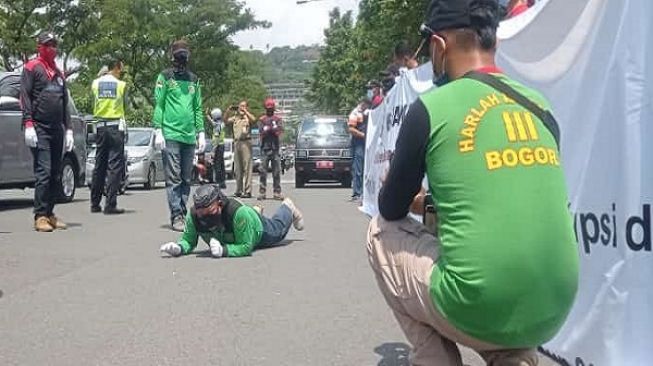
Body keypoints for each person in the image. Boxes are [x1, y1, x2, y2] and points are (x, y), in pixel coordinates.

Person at [368, 1, 579, 365]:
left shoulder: (430, 109)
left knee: (377, 233)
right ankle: (513, 357)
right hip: (555, 308)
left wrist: (414, 199)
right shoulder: (540, 107)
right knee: (490, 268)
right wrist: (429, 204)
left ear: (438, 46)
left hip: (478, 302)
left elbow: (391, 208)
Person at [20, 32, 74, 232]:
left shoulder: (59, 73)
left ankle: (50, 213)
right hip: (39, 127)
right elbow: (24, 96)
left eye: (54, 44)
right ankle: (40, 215)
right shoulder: (32, 67)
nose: (51, 48)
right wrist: (28, 123)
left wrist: (68, 129)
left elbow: (64, 103)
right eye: (47, 45)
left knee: (55, 173)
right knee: (44, 171)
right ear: (40, 47)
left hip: (56, 129)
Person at [159, 185, 304, 258]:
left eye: (210, 212)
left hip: (256, 228)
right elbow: (189, 240)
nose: (205, 218)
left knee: (278, 230)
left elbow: (246, 246)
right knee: (246, 219)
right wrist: (179, 247)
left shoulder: (237, 214)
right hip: (241, 224)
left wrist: (225, 250)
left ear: (220, 204)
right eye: (201, 213)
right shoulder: (194, 215)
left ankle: (287, 208)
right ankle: (255, 210)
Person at [153, 40, 206, 232]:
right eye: (179, 54)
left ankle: (182, 212)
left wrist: (201, 132)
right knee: (173, 177)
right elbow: (159, 104)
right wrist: (158, 129)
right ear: (172, 56)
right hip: (171, 133)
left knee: (186, 178)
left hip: (189, 136)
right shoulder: (165, 77)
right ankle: (176, 215)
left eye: (185, 54)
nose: (182, 58)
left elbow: (197, 107)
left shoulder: (194, 79)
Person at [90, 58, 128, 215]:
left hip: (99, 126)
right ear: (117, 68)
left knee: (99, 165)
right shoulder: (121, 85)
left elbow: (94, 102)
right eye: (121, 69)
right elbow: (125, 104)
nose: (122, 73)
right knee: (114, 167)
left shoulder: (95, 83)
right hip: (114, 126)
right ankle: (110, 204)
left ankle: (94, 203)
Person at [226, 100, 257, 199]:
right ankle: (238, 190)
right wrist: (228, 110)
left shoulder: (247, 117)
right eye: (240, 106)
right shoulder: (235, 118)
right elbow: (225, 120)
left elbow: (254, 119)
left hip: (246, 143)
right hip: (236, 142)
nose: (241, 108)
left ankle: (247, 191)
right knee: (237, 169)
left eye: (243, 106)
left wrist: (246, 112)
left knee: (247, 167)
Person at [257, 97, 284, 201]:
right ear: (265, 108)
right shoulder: (262, 119)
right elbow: (261, 132)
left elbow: (279, 131)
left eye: (271, 108)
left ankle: (277, 192)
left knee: (276, 171)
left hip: (275, 148)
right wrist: (268, 128)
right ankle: (262, 192)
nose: (269, 110)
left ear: (274, 108)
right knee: (263, 171)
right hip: (265, 148)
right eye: (268, 108)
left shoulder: (278, 119)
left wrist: (271, 128)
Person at [347, 99, 370, 203]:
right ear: (363, 104)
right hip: (358, 143)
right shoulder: (355, 113)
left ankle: (365, 193)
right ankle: (357, 193)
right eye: (367, 105)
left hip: (367, 143)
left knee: (367, 168)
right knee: (358, 169)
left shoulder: (369, 112)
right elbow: (351, 129)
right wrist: (364, 136)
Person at [209, 108, 227, 189]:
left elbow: (216, 139)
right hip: (222, 146)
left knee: (217, 165)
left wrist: (213, 151)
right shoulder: (221, 124)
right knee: (222, 164)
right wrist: (207, 116)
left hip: (218, 146)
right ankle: (223, 181)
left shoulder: (217, 126)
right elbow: (212, 122)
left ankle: (219, 181)